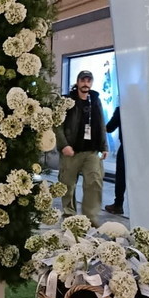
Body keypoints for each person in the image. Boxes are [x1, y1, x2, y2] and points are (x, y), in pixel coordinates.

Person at [56, 70, 108, 226]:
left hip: (92, 151)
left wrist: (104, 146)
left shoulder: (96, 100)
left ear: (91, 83)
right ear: (78, 82)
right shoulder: (67, 101)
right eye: (83, 80)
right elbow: (57, 125)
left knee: (94, 182)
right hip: (71, 151)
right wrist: (64, 145)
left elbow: (101, 123)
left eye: (88, 80)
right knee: (67, 184)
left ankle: (90, 217)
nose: (86, 83)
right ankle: (69, 216)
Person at [104, 106, 125, 215]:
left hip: (126, 148)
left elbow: (109, 128)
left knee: (121, 177)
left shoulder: (122, 109)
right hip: (142, 149)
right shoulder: (146, 108)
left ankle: (118, 205)